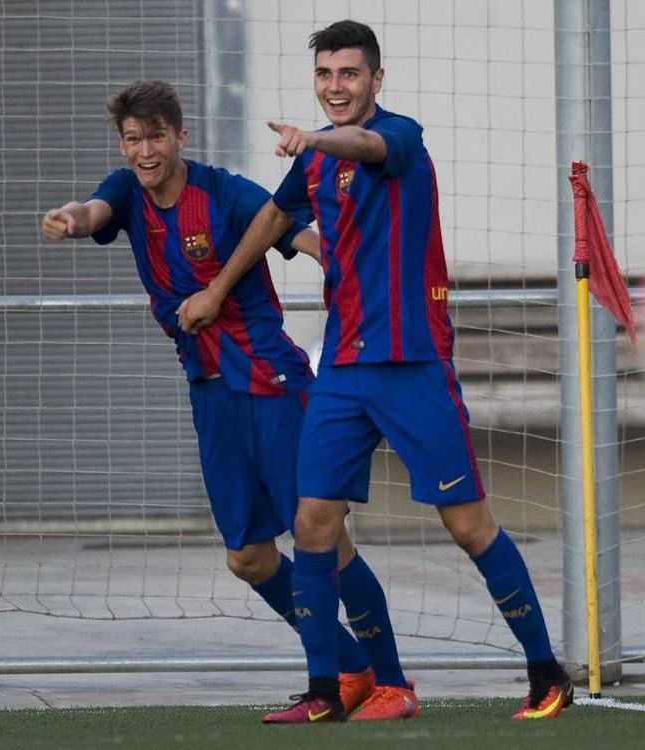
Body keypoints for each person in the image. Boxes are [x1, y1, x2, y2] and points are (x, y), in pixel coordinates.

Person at [177, 21, 572, 724]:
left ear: (376, 81)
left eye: (349, 74)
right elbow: (271, 218)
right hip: (344, 370)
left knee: (468, 523)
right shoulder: (315, 163)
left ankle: (547, 674)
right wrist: (216, 290)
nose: (336, 86)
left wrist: (312, 137)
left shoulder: (399, 137)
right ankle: (329, 691)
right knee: (313, 521)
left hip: (414, 365)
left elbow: (364, 144)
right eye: (326, 75)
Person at [40, 79, 395, 714]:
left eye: (155, 136)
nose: (144, 150)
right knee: (250, 557)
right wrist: (72, 219)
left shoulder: (224, 192)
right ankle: (352, 668)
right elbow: (95, 209)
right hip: (209, 393)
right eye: (133, 139)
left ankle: (389, 683)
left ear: (181, 136)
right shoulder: (126, 191)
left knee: (325, 541)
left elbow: (297, 231)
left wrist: (344, 262)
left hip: (273, 385)